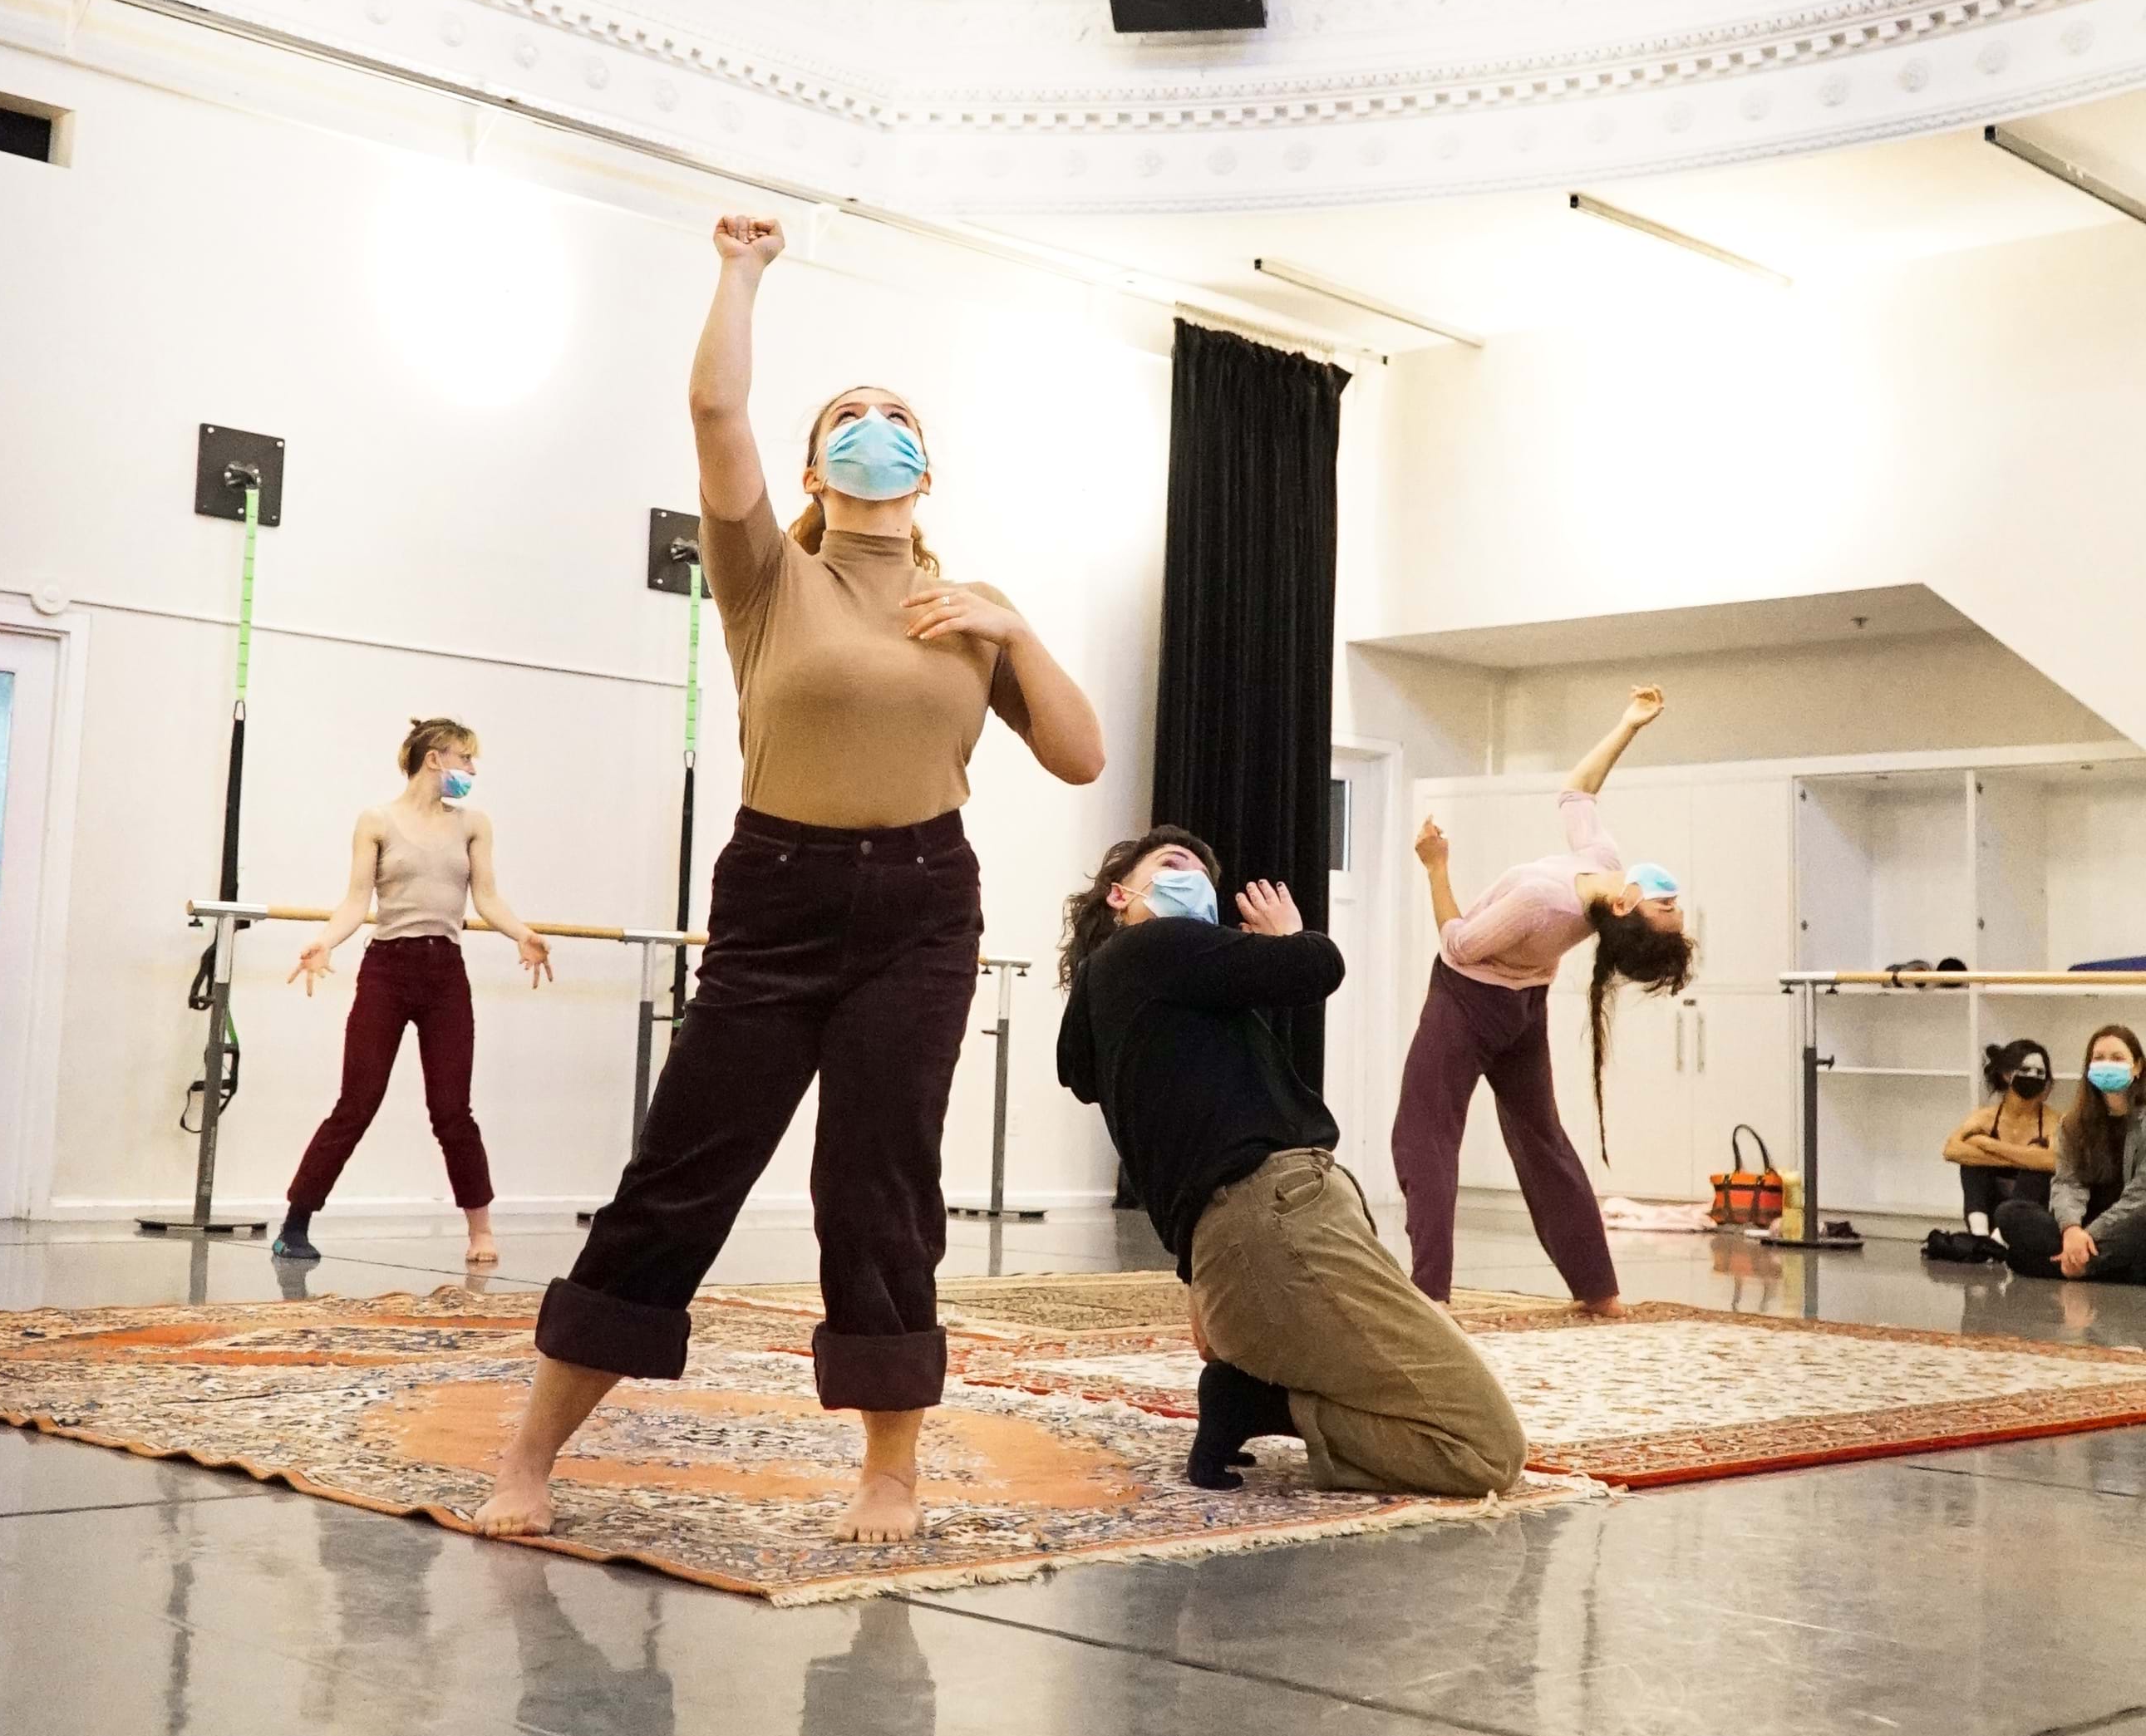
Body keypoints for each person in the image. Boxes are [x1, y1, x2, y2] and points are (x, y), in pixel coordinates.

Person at [477, 212, 1105, 1547]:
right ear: (816, 467)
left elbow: (1078, 755)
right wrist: (740, 271)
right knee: (678, 1176)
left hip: (923, 906)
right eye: (848, 419)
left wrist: (1014, 628)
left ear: (926, 467)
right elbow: (714, 408)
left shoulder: (967, 608)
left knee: (879, 1189)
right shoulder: (768, 573)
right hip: (776, 891)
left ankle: (889, 1473)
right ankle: (529, 1454)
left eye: (897, 417)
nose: (876, 428)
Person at [1056, 828, 1525, 1499]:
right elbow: (1315, 966)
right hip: (1281, 1221)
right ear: (1118, 894)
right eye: (1171, 862)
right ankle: (1262, 1403)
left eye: (1202, 874)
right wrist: (1286, 933)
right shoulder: (1149, 946)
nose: (1192, 874)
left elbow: (1178, 1146)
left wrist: (1199, 1281)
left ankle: (1254, 1392)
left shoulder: (1128, 1007)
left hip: (1245, 1246)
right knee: (1485, 1451)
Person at [1393, 686, 1692, 1311]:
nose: (1672, 897)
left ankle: (1430, 1297)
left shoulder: (1547, 903)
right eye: (1673, 903)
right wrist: (1629, 725)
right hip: (1524, 1009)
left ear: (1625, 906)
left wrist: (1436, 866)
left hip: (1468, 1001)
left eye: (1666, 905)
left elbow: (1458, 943)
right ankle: (1599, 1292)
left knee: (1424, 1135)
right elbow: (1577, 793)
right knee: (1542, 1141)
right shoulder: (1601, 865)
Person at [276, 718, 551, 1269]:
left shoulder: (473, 824)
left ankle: (480, 1229)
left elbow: (487, 897)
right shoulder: (377, 820)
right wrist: (324, 941)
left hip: (445, 972)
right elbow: (356, 900)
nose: (472, 770)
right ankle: (296, 1221)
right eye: (465, 759)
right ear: (435, 758)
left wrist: (522, 933)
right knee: (357, 1102)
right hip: (387, 969)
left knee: (452, 1110)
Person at [1995, 1027, 2146, 1281]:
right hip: (2084, 1226)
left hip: (2126, 1225)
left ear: (2138, 1067)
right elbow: (2067, 1182)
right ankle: (2095, 1265)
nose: (2107, 1064)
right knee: (2009, 1213)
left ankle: (2075, 1263)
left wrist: (2088, 1237)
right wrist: (2071, 1230)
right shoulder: (2073, 1123)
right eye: (2099, 1058)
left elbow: (2141, 1197)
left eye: (2117, 1058)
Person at [1940, 1040, 2058, 1229]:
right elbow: (1951, 1150)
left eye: (2039, 1072)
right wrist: (2025, 1158)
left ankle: (2001, 1238)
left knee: (2036, 1171)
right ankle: (1980, 1236)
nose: (2032, 1076)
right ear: (2007, 1074)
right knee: (1972, 1165)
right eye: (2025, 1070)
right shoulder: (1984, 1117)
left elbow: (2054, 1161)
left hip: (2030, 1217)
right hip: (1990, 1210)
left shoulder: (2054, 1121)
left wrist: (1988, 1145)